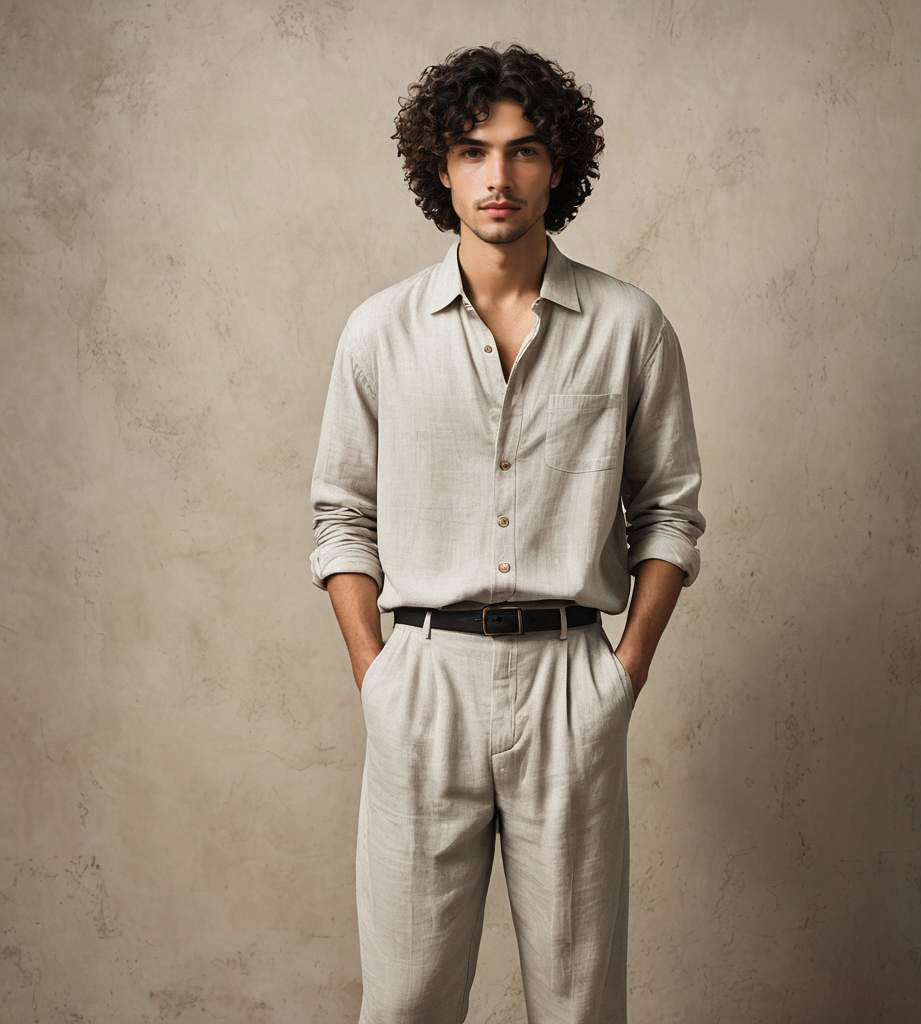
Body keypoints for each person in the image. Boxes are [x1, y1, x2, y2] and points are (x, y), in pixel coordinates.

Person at [308, 42, 706, 1024]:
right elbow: (340, 517)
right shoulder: (378, 333)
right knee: (405, 1000)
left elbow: (669, 511)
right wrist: (378, 671)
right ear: (438, 168)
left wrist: (623, 672)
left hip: (572, 676)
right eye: (474, 151)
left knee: (578, 1002)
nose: (498, 175)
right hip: (424, 677)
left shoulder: (629, 327)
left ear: (557, 165)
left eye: (523, 151)